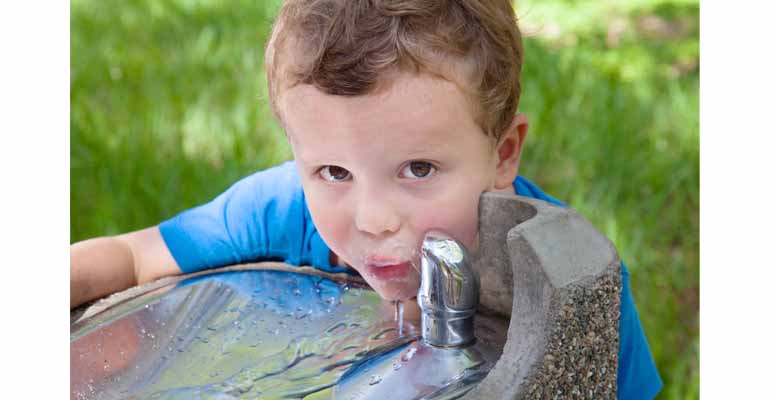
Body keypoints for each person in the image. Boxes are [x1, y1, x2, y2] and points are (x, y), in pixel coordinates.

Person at [70, 0, 662, 398]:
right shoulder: (284, 209)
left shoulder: (563, 280)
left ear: (504, 153)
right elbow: (133, 257)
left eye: (419, 168)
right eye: (333, 171)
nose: (373, 218)